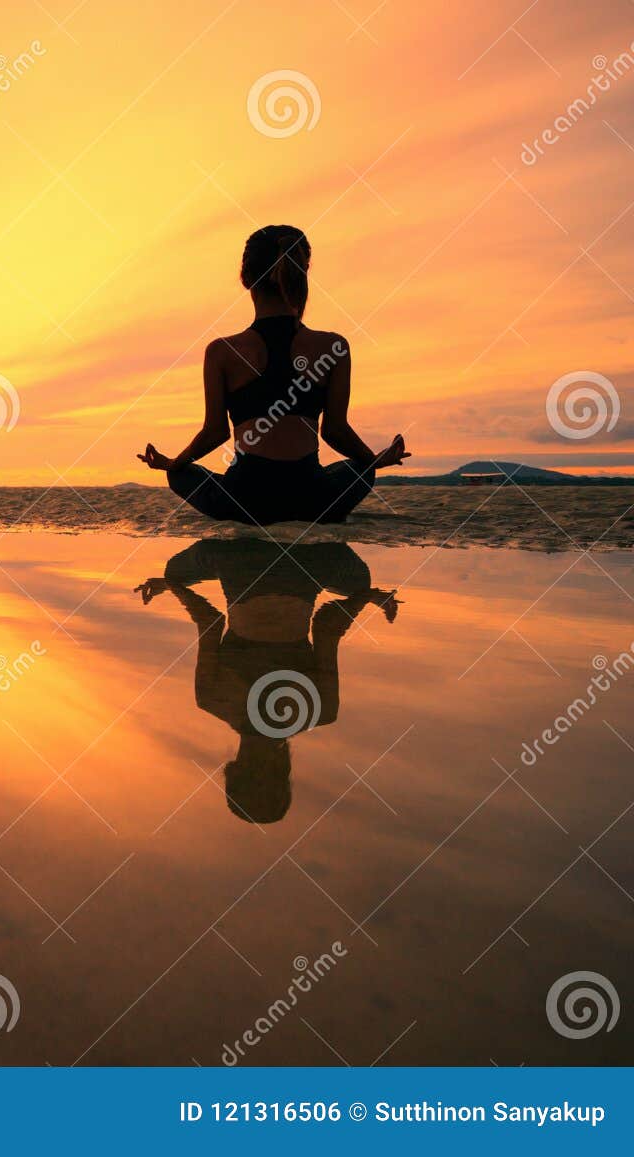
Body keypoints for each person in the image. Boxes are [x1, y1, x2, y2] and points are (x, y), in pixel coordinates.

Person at [138, 225, 410, 525]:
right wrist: (374, 460)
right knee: (362, 470)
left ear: (246, 279)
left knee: (180, 476)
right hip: (312, 499)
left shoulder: (222, 351)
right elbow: (335, 431)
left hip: (245, 501)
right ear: (301, 275)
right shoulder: (334, 346)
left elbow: (215, 433)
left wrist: (173, 464)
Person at [136, 538, 399, 823]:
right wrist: (173, 585)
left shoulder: (321, 711)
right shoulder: (211, 700)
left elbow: (327, 626)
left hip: (313, 561)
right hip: (238, 558)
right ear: (234, 769)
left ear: (284, 772)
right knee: (175, 571)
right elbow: (210, 621)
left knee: (358, 581)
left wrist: (367, 596)